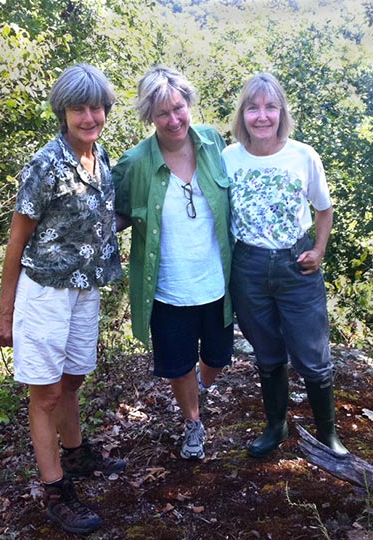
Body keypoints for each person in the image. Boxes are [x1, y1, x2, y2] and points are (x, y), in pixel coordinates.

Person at [0, 64, 125, 535]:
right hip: (45, 293)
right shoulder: (45, 164)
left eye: (96, 107)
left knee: (72, 381)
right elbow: (17, 240)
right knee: (46, 393)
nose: (88, 116)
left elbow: (96, 220)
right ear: (63, 111)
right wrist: (5, 312)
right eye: (78, 108)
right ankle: (55, 489)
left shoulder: (100, 157)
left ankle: (77, 454)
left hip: (84, 291)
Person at [222, 72, 349, 458]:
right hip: (248, 267)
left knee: (313, 355)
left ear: (282, 112)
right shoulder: (228, 158)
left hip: (296, 266)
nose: (262, 116)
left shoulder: (303, 155)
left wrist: (320, 251)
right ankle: (275, 427)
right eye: (253, 108)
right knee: (267, 353)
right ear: (242, 114)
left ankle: (328, 435)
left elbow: (323, 209)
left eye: (270, 107)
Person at [112, 65, 233, 461]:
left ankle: (198, 384)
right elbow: (116, 212)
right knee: (179, 365)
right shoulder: (135, 163)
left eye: (178, 108)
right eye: (162, 113)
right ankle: (193, 421)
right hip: (168, 288)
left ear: (188, 105)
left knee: (216, 359)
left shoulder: (213, 144)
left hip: (216, 282)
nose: (173, 119)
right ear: (149, 115)